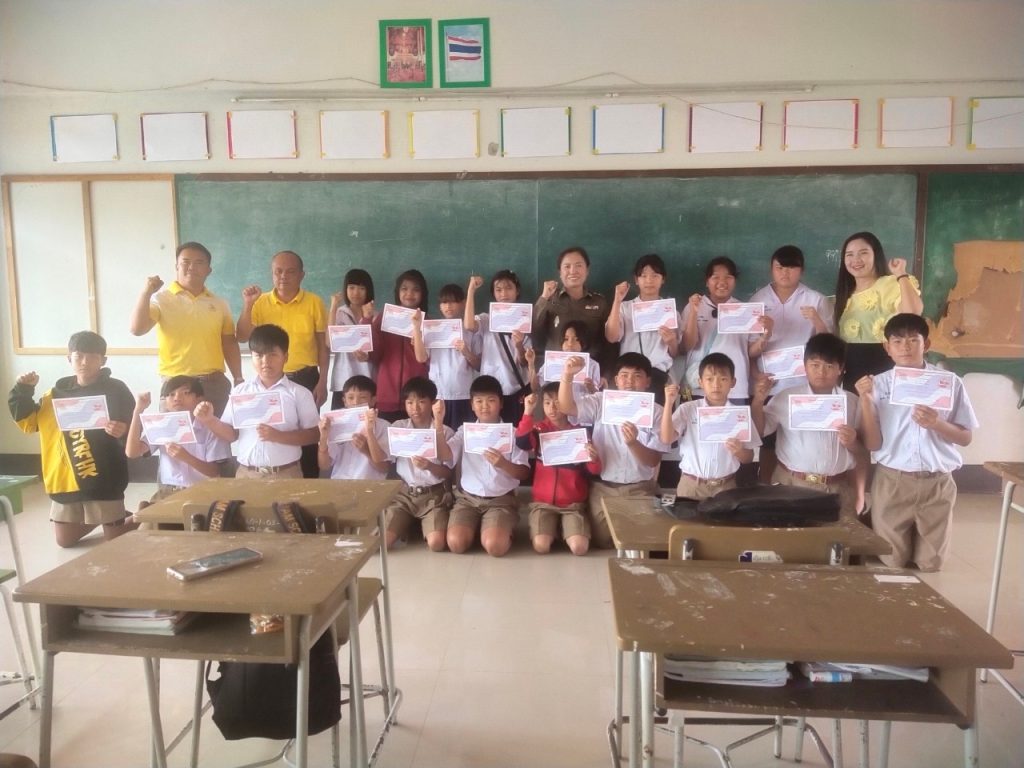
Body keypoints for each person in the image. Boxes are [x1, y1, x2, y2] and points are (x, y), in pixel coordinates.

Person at [856, 314, 977, 572]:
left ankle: (911, 537)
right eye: (897, 341)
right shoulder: (877, 385)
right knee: (893, 561)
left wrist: (937, 423)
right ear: (887, 348)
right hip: (893, 480)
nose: (905, 347)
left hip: (937, 481)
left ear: (927, 344)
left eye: (913, 340)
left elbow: (966, 438)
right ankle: (884, 526)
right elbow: (873, 445)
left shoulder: (948, 383)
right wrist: (865, 401)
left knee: (931, 565)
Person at [9, 331, 137, 547]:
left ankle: (142, 514)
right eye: (79, 356)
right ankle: (104, 519)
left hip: (103, 478)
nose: (85, 362)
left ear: (103, 360)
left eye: (92, 356)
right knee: (64, 541)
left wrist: (123, 429)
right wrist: (23, 391)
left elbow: (135, 423)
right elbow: (29, 424)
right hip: (66, 479)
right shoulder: (54, 394)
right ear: (69, 359)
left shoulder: (116, 390)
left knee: (114, 540)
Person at [558, 352, 669, 549]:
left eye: (637, 376)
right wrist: (567, 375)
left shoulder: (657, 412)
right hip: (603, 487)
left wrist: (633, 443)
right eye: (624, 375)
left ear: (647, 382)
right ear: (616, 380)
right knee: (603, 540)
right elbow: (567, 407)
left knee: (641, 541)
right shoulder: (601, 401)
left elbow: (653, 460)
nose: (630, 381)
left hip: (640, 488)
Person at [236, 250, 329, 478]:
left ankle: (307, 487)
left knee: (308, 439)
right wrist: (248, 305)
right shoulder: (260, 303)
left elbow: (322, 345)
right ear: (272, 274)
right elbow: (242, 336)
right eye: (278, 272)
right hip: (270, 381)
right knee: (272, 435)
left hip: (306, 379)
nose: (283, 276)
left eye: (290, 272)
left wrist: (323, 381)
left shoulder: (314, 302)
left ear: (302, 275)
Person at [751, 335, 862, 518]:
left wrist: (853, 442)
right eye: (815, 365)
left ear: (840, 368)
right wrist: (758, 401)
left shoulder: (853, 402)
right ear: (804, 365)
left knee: (837, 536)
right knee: (791, 535)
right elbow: (759, 431)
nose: (821, 372)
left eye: (829, 366)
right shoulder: (786, 397)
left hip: (837, 488)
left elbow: (863, 450)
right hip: (791, 485)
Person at [747, 245, 833, 480]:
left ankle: (800, 487)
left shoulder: (816, 300)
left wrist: (817, 320)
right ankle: (766, 488)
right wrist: (756, 373)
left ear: (801, 270)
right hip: (769, 385)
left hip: (804, 385)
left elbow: (829, 345)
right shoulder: (758, 300)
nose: (785, 273)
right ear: (771, 269)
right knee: (767, 444)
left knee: (802, 439)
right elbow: (749, 351)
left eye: (792, 267)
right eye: (780, 267)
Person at [128, 241, 243, 416]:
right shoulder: (161, 299)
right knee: (176, 434)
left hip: (214, 385)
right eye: (186, 262)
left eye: (199, 262)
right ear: (177, 266)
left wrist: (238, 377)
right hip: (176, 388)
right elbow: (137, 329)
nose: (191, 267)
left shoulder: (220, 303)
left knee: (218, 433)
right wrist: (146, 293)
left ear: (208, 270)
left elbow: (229, 343)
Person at [196, 324, 320, 480]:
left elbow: (315, 435)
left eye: (272, 355)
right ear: (252, 357)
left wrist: (278, 436)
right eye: (259, 355)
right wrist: (209, 420)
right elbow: (231, 435)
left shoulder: (299, 393)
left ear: (285, 357)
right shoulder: (240, 392)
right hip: (247, 474)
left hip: (286, 474)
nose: (265, 361)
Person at [444, 375, 531, 557]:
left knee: (495, 546)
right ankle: (480, 529)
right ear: (472, 405)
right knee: (456, 543)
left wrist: (503, 464)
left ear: (501, 403)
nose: (485, 406)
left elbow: (523, 473)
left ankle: (494, 531)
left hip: (501, 500)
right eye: (479, 401)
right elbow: (446, 455)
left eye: (491, 400)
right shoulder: (464, 431)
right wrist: (438, 422)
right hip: (467, 499)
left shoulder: (513, 433)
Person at [515, 384, 601, 556]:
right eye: (547, 403)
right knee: (541, 546)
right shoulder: (539, 429)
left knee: (579, 548)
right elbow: (522, 442)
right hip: (543, 503)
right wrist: (528, 412)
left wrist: (594, 459)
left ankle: (566, 529)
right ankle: (556, 529)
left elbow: (593, 471)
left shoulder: (580, 433)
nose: (552, 408)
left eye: (557, 402)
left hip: (573, 505)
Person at [661, 353, 760, 500]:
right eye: (709, 379)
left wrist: (739, 451)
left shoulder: (740, 415)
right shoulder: (688, 409)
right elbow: (666, 438)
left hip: (726, 487)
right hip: (691, 486)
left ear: (733, 382)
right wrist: (668, 403)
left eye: (723, 379)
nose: (716, 385)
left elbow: (749, 458)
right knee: (687, 516)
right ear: (700, 382)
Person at [833, 231, 923, 391]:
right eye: (849, 255)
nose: (856, 260)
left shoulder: (891, 284)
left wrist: (901, 274)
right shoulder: (845, 295)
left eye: (863, 253)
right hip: (853, 375)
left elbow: (913, 314)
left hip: (886, 369)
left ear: (876, 255)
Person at [125, 376, 231, 501]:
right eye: (171, 394)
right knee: (148, 512)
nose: (177, 398)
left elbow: (214, 472)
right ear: (165, 401)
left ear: (199, 399)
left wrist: (186, 457)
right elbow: (132, 452)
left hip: (203, 492)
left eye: (185, 393)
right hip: (168, 492)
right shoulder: (160, 425)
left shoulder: (211, 427)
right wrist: (138, 411)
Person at [383, 377, 455, 552]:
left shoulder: (445, 431)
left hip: (434, 496)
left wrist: (430, 466)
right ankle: (410, 523)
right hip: (405, 495)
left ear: (433, 403)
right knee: (382, 542)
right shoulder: (399, 428)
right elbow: (384, 459)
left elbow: (449, 473)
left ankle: (418, 525)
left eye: (421, 402)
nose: (415, 408)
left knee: (437, 544)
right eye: (409, 403)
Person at [605, 253, 680, 400]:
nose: (649, 281)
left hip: (657, 375)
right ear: (636, 280)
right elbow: (611, 337)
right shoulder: (625, 307)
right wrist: (617, 301)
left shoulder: (670, 312)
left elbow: (675, 353)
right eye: (643, 276)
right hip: (628, 376)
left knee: (657, 414)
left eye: (655, 276)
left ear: (663, 279)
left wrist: (672, 341)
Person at [680, 256, 754, 405]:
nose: (722, 282)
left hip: (735, 388)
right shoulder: (693, 306)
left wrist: (765, 336)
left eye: (728, 277)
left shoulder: (745, 311)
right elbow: (686, 346)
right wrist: (694, 312)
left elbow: (751, 351)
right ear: (707, 281)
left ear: (735, 281)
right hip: (698, 386)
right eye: (715, 277)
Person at [464, 271, 532, 425]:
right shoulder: (486, 319)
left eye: (508, 288)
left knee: (516, 433)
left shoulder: (525, 320)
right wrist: (471, 290)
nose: (504, 294)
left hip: (516, 390)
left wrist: (519, 345)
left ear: (517, 291)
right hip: (490, 392)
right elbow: (468, 325)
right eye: (498, 290)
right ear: (493, 293)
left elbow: (524, 362)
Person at [412, 283, 482, 431]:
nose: (448, 306)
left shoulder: (471, 329)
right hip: (438, 394)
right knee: (440, 435)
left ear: (463, 303)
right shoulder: (431, 328)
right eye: (444, 302)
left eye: (453, 301)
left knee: (461, 437)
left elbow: (478, 365)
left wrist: (466, 352)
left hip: (464, 394)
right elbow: (421, 358)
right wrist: (417, 329)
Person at [363, 269, 430, 423]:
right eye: (404, 289)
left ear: (423, 293)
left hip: (416, 400)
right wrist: (367, 320)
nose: (409, 294)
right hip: (387, 396)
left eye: (416, 289)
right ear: (397, 292)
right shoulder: (385, 318)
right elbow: (374, 354)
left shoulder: (428, 323)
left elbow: (430, 361)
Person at [533, 246, 611, 372]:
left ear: (587, 270)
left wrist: (605, 374)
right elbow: (534, 330)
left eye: (578, 265)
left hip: (589, 373)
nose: (573, 271)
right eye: (567, 266)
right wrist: (544, 297)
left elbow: (609, 343)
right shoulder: (549, 299)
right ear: (560, 272)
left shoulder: (599, 302)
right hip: (555, 372)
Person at [317, 375, 391, 481]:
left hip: (370, 485)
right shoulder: (335, 424)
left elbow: (384, 468)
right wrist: (323, 438)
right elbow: (324, 466)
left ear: (373, 400)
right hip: (339, 484)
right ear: (344, 401)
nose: (356, 402)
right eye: (350, 398)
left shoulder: (383, 426)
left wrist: (365, 449)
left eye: (363, 397)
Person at [328, 268, 376, 410]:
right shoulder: (339, 313)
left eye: (361, 288)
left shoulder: (376, 316)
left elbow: (380, 349)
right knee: (341, 421)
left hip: (367, 378)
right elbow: (329, 343)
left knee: (368, 421)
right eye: (351, 287)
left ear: (368, 291)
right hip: (344, 379)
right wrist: (333, 307)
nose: (356, 293)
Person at [530, 320, 603, 407]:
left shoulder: (593, 365)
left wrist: (591, 388)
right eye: (566, 339)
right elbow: (535, 387)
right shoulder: (552, 360)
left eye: (576, 339)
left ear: (584, 342)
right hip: (555, 409)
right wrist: (531, 363)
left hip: (579, 410)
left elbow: (597, 397)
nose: (570, 343)